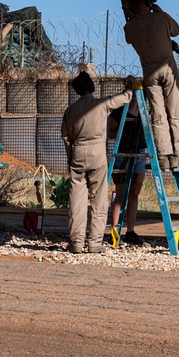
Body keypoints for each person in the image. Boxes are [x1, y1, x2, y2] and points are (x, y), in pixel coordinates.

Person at [62, 71, 133, 253]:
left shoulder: (70, 111)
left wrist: (71, 158)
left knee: (76, 200)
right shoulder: (100, 104)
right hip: (97, 153)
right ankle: (94, 242)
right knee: (99, 198)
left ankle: (76, 242)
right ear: (91, 87)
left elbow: (65, 138)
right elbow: (125, 98)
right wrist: (129, 84)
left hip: (77, 153)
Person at [123, 0, 179, 167]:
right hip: (168, 69)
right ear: (147, 2)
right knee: (174, 112)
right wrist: (159, 11)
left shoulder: (129, 27)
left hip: (149, 72)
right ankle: (176, 154)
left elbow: (129, 38)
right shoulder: (161, 18)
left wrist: (132, 17)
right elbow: (176, 31)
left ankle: (163, 155)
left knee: (158, 114)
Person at [107, 95, 148, 245]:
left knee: (134, 194)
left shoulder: (144, 112)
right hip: (123, 155)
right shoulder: (118, 112)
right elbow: (110, 133)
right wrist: (124, 133)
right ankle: (114, 230)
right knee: (121, 193)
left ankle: (130, 231)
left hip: (139, 155)